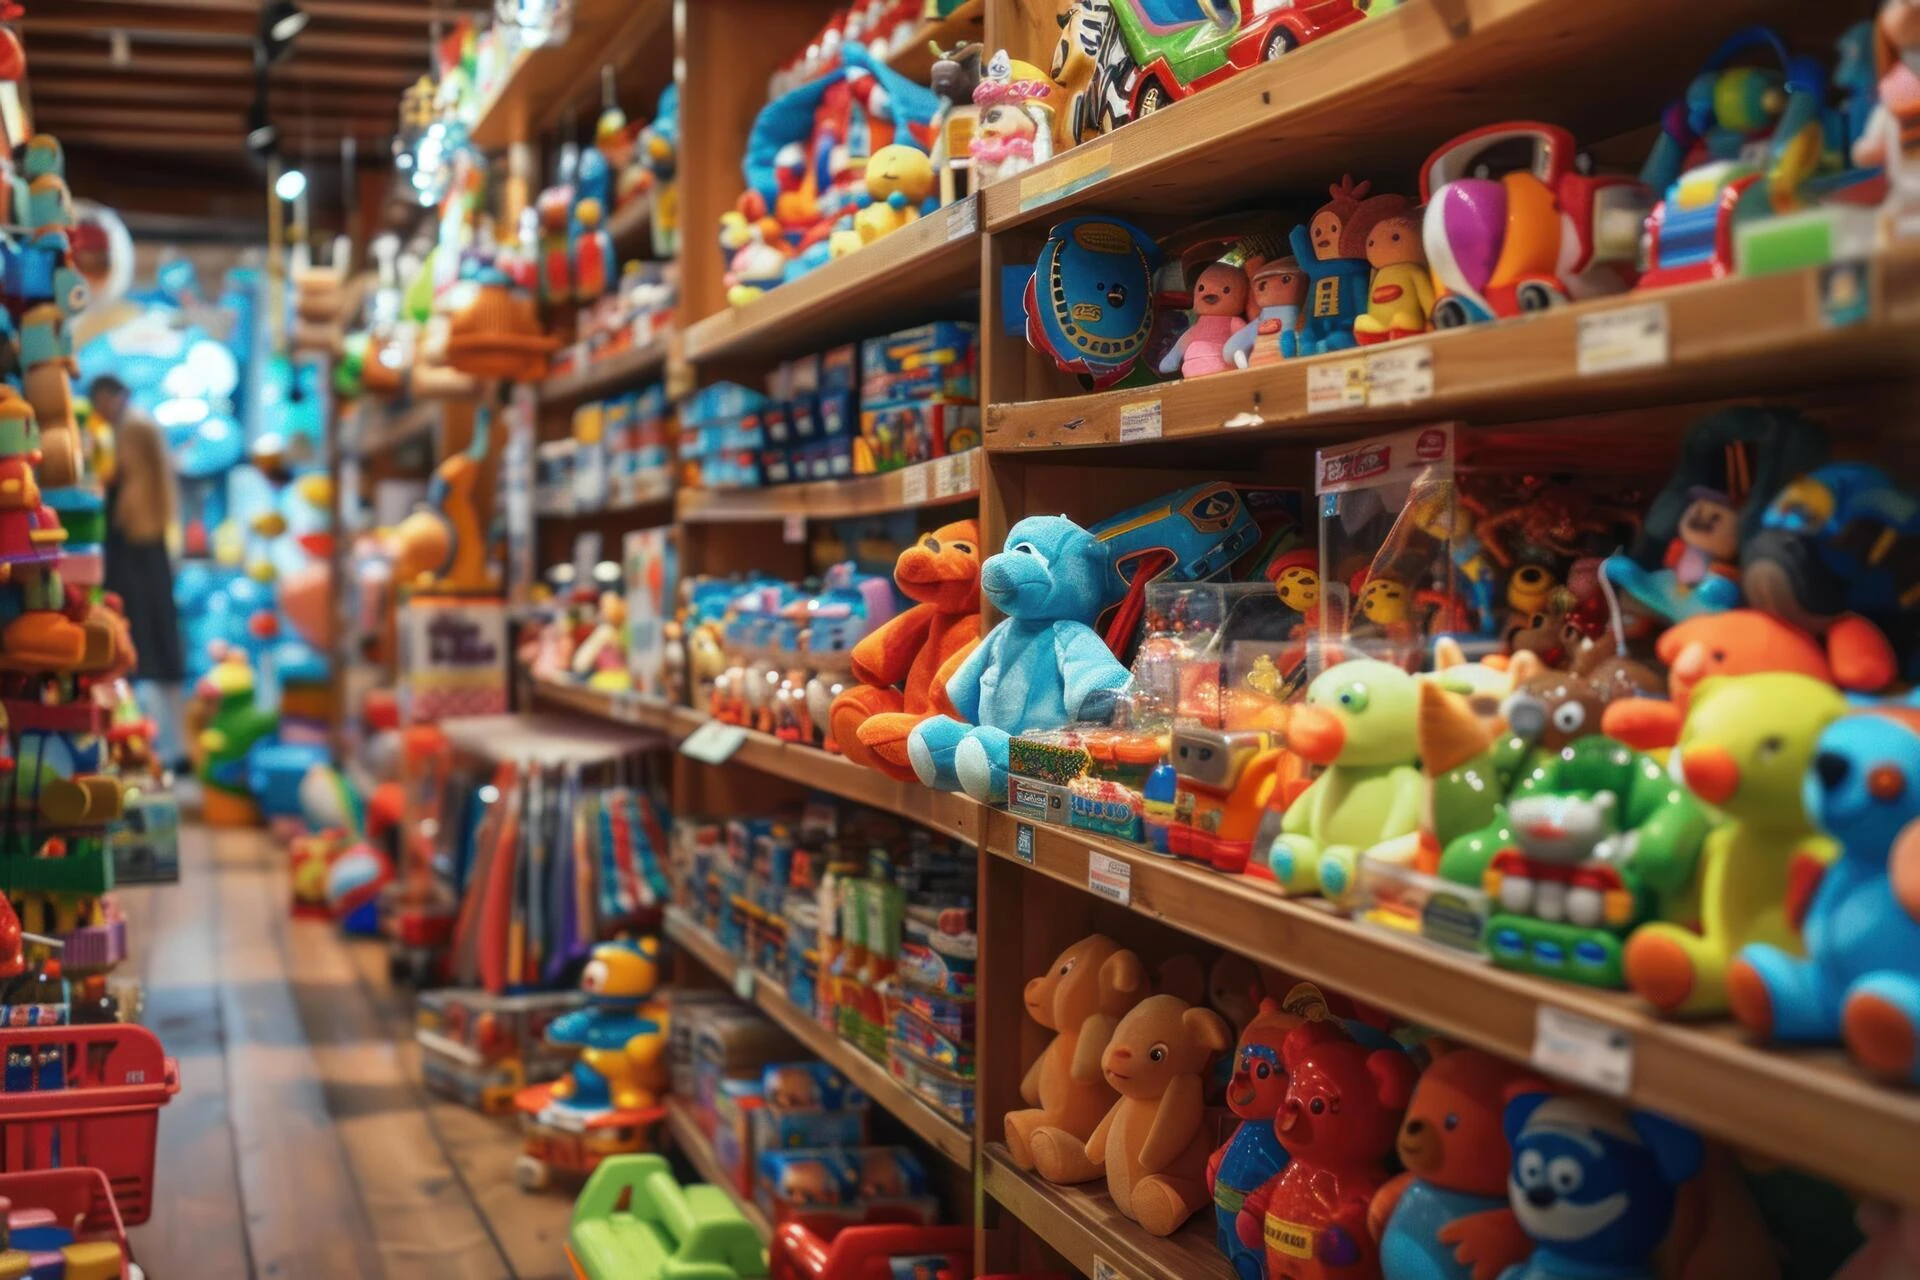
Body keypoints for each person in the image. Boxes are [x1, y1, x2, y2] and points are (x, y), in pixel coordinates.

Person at [89, 374, 186, 762]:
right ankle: (165, 744)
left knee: (141, 637)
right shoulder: (137, 422)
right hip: (144, 537)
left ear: (109, 396)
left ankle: (157, 743)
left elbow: (117, 474)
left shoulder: (130, 426)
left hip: (135, 540)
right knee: (154, 637)